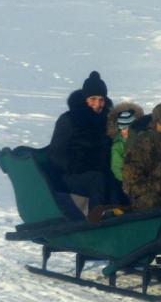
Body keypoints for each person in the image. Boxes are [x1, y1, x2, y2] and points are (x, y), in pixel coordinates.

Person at [48, 71, 119, 212]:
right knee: (97, 179)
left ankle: (122, 217)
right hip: (73, 175)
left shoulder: (108, 121)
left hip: (101, 171)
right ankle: (95, 220)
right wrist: (77, 166)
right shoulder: (69, 120)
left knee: (115, 179)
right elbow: (56, 154)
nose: (97, 104)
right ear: (85, 99)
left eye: (101, 100)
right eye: (93, 99)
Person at [107, 102, 144, 184]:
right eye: (123, 129)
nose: (125, 132)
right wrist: (127, 180)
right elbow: (116, 167)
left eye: (128, 129)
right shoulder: (118, 146)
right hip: (127, 180)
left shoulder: (143, 139)